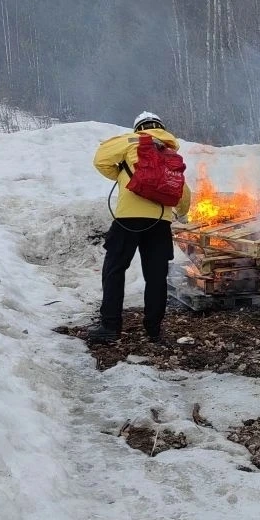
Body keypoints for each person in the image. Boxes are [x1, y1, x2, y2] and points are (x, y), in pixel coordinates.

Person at [89, 111, 191, 346]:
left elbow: (100, 159)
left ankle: (110, 326)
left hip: (128, 218)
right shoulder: (170, 152)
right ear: (161, 127)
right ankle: (154, 329)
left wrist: (123, 177)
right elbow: (183, 194)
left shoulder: (131, 141)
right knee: (156, 277)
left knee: (114, 269)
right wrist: (181, 214)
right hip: (160, 221)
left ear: (139, 128)